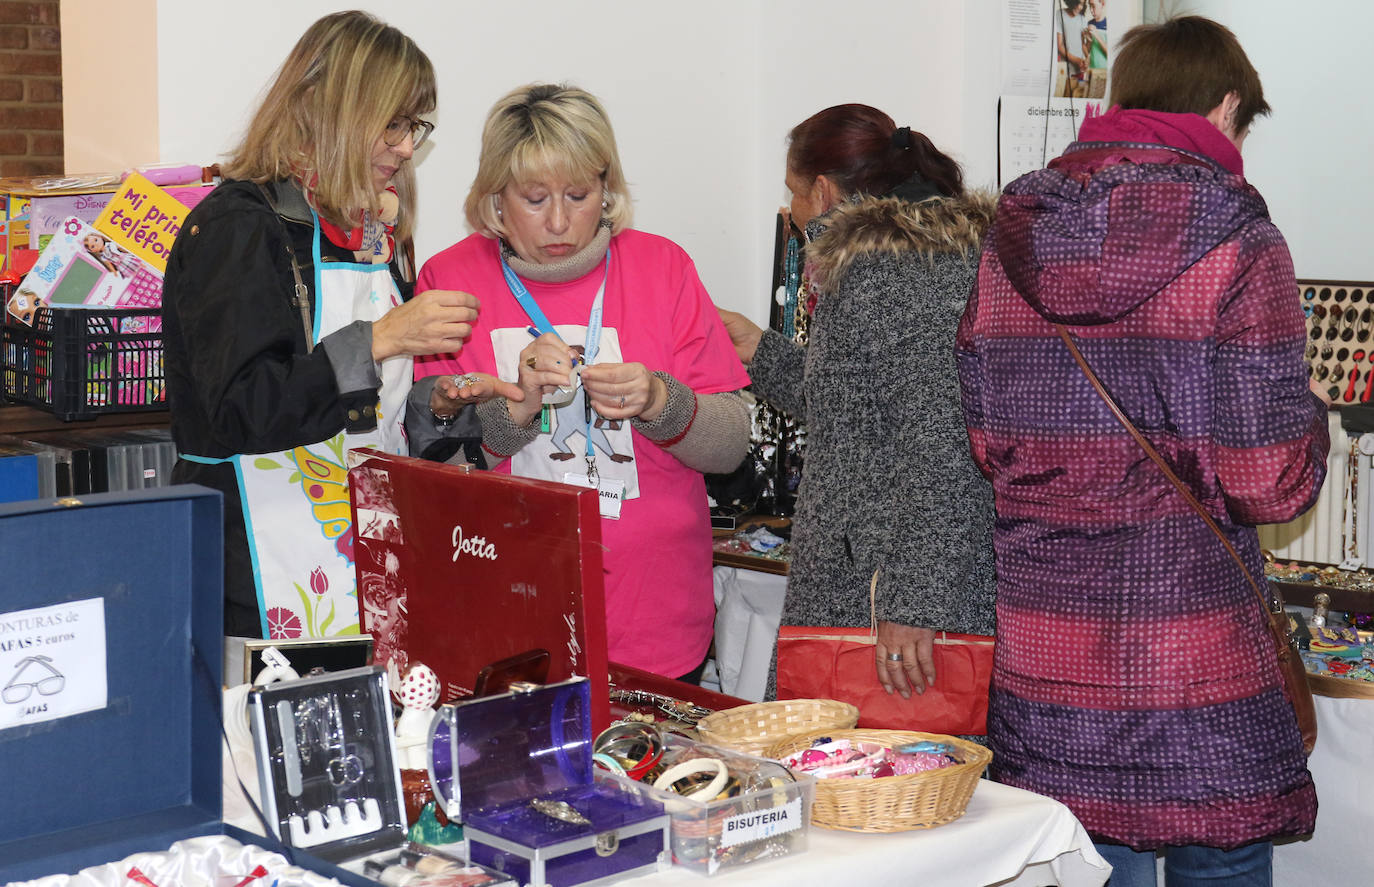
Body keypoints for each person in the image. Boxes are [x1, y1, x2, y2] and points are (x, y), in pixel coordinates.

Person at [956, 16, 1331, 885]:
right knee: (1222, 853)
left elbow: (989, 440)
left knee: (1091, 860)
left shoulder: (1012, 238)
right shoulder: (1239, 238)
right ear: (1228, 105)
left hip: (1052, 648)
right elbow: (1268, 483)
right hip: (1193, 648)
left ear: (1117, 103)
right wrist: (1303, 418)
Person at [162, 11, 517, 639]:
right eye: (394, 123)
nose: (408, 147)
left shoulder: (375, 237)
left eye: (416, 126)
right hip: (254, 571)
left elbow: (373, 415)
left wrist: (439, 406)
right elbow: (240, 410)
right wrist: (381, 339)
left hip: (371, 555)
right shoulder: (238, 227)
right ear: (327, 107)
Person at [411, 83, 751, 682]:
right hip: (508, 611)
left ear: (607, 188)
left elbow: (730, 448)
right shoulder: (451, 282)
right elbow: (434, 473)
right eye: (535, 199)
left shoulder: (663, 268)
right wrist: (516, 410)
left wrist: (658, 401)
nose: (561, 221)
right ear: (495, 198)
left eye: (580, 194)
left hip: (655, 618)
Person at [717, 104, 997, 701]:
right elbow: (862, 417)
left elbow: (944, 448)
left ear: (821, 192)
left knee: (878, 781)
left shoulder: (892, 274)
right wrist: (759, 351)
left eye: (792, 194)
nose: (791, 213)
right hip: (877, 574)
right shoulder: (917, 260)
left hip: (882, 599)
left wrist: (911, 601)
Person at [1055, 0, 1090, 98]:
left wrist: (1086, 60)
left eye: (1082, 4)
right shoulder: (1060, 14)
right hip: (1065, 70)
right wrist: (1077, 60)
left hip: (1080, 71)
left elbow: (1084, 46)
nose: (1079, 7)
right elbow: (1060, 45)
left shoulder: (1083, 19)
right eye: (1077, 3)